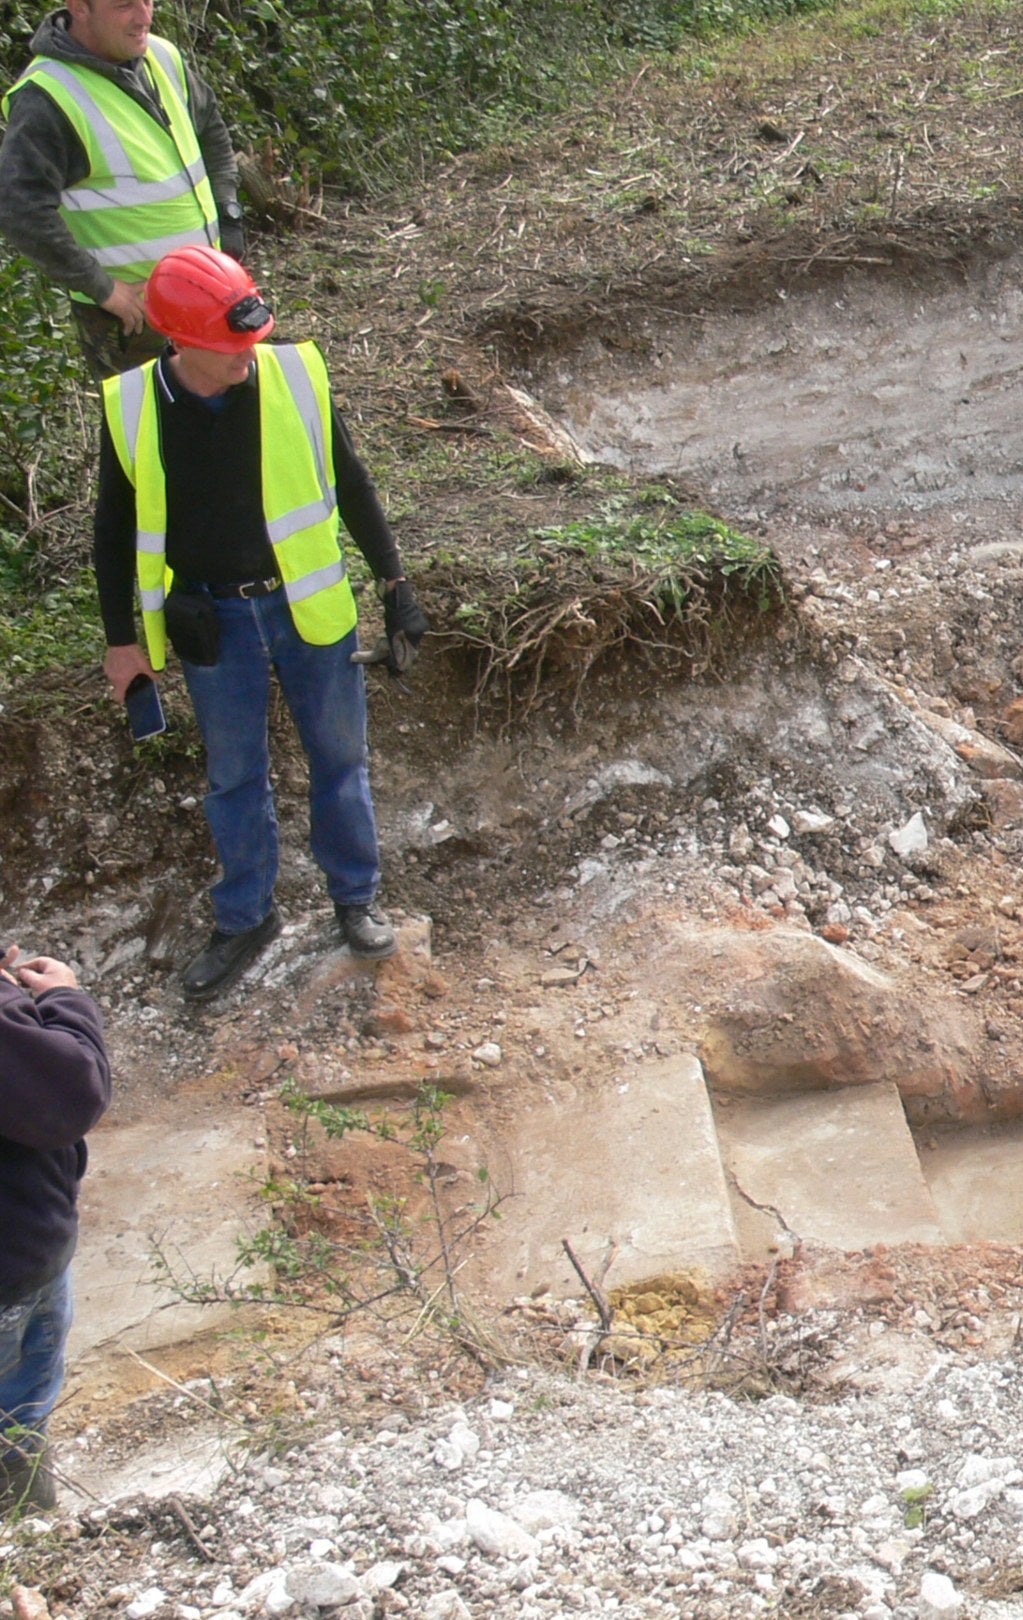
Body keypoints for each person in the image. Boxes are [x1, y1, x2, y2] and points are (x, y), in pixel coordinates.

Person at [91, 246, 427, 1002]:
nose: (249, 353)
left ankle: (356, 898)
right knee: (234, 775)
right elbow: (111, 535)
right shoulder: (132, 408)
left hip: (306, 604)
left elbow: (350, 479)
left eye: (252, 336)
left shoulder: (295, 375)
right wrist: (122, 642)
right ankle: (245, 916)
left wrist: (395, 581)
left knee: (339, 759)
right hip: (214, 620)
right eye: (229, 343)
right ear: (178, 341)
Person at [0, 0, 243, 379]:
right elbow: (18, 208)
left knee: (214, 425)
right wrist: (101, 288)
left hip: (209, 292)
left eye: (147, 0)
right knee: (143, 432)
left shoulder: (161, 55)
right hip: (133, 318)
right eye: (124, 5)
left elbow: (211, 127)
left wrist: (228, 216)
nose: (144, 16)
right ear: (79, 8)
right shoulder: (46, 96)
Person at [0, 942, 112, 1516]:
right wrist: (65, 1002)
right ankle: (24, 1534)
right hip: (15, 1266)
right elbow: (68, 1094)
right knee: (15, 1417)